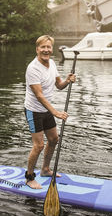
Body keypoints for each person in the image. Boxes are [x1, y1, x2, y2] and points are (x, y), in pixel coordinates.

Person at [24, 35, 76, 189]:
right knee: (38, 145)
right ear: (37, 49)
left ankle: (45, 170)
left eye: (48, 47)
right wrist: (55, 112)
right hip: (34, 110)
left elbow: (59, 85)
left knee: (53, 140)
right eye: (43, 47)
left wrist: (67, 80)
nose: (46, 50)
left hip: (46, 109)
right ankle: (29, 177)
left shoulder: (52, 63)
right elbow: (39, 95)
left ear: (51, 49)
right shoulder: (32, 68)